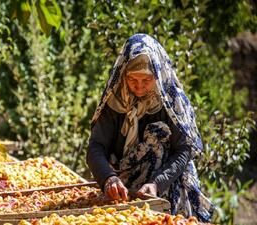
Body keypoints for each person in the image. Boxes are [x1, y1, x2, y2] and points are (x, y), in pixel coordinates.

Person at [87, 34, 214, 222]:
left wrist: (156, 183)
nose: (139, 88)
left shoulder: (171, 102)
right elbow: (95, 147)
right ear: (123, 74)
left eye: (146, 80)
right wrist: (108, 179)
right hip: (123, 189)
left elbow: (183, 150)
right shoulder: (115, 102)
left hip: (168, 184)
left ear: (157, 75)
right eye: (132, 80)